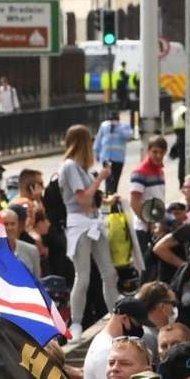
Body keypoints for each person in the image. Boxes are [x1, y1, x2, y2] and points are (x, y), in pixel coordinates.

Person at [59, 125, 116, 330]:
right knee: (82, 276)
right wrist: (100, 178)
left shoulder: (81, 168)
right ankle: (76, 322)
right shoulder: (70, 167)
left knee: (109, 272)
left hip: (93, 222)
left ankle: (114, 314)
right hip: (80, 224)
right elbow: (82, 198)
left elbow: (92, 199)